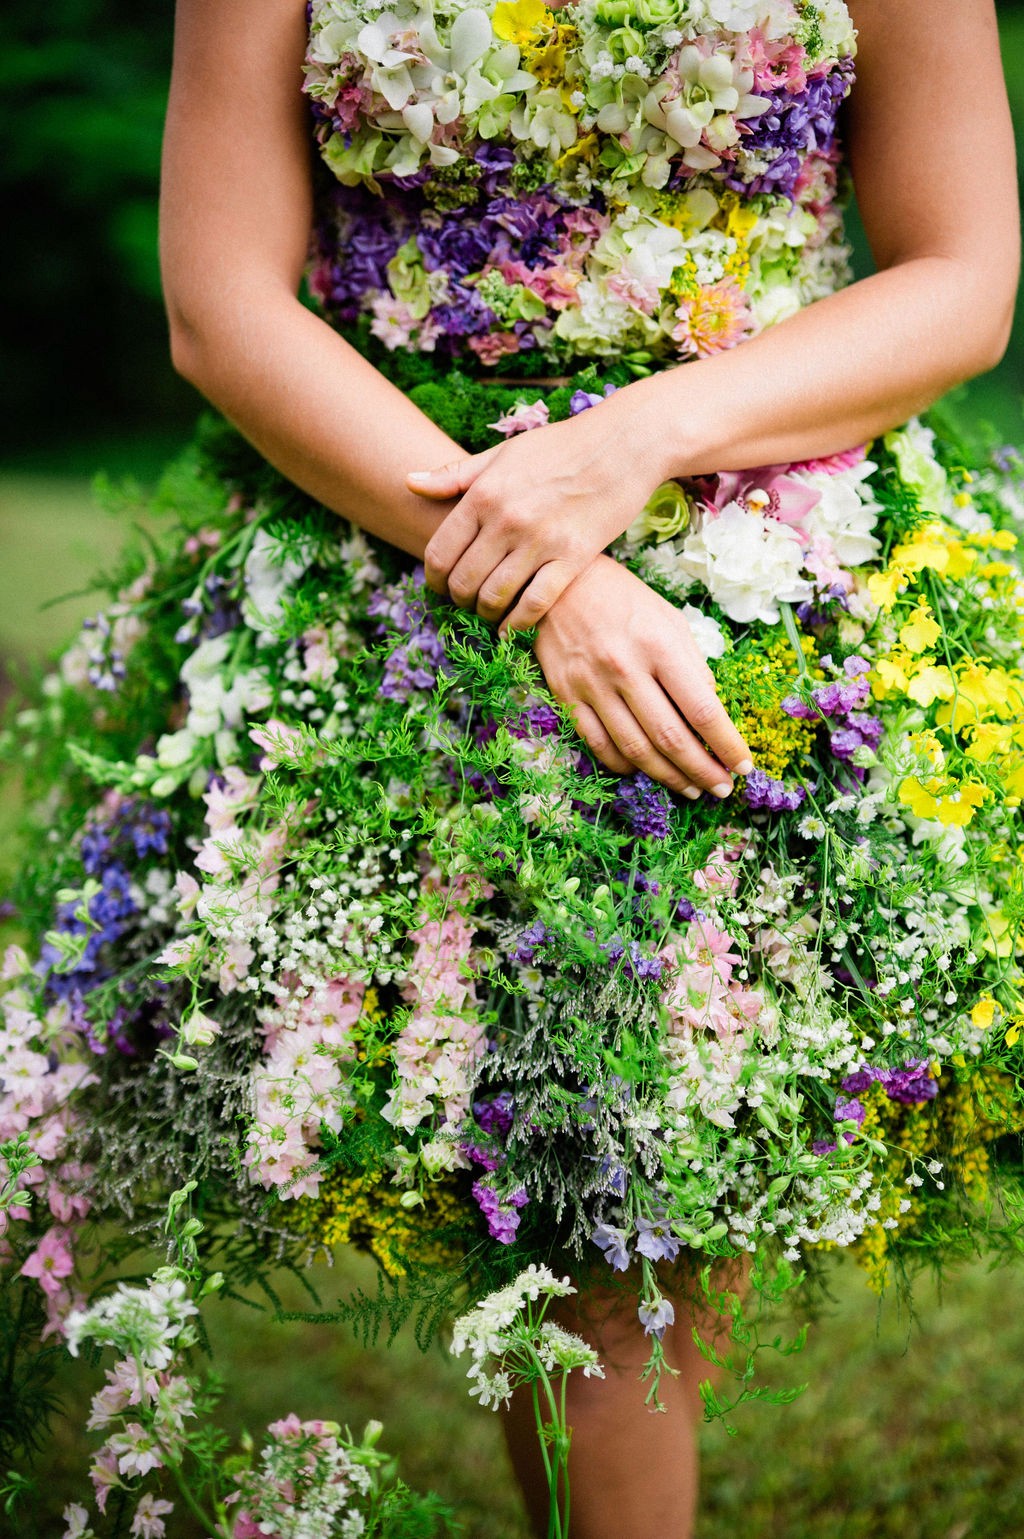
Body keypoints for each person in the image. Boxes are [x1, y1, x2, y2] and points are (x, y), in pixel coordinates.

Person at [157, 3, 1018, 1533]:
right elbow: (223, 298)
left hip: (780, 528)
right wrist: (546, 575)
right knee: (572, 1172)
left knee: (636, 1189)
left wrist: (635, 444)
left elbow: (963, 275)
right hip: (406, 532)